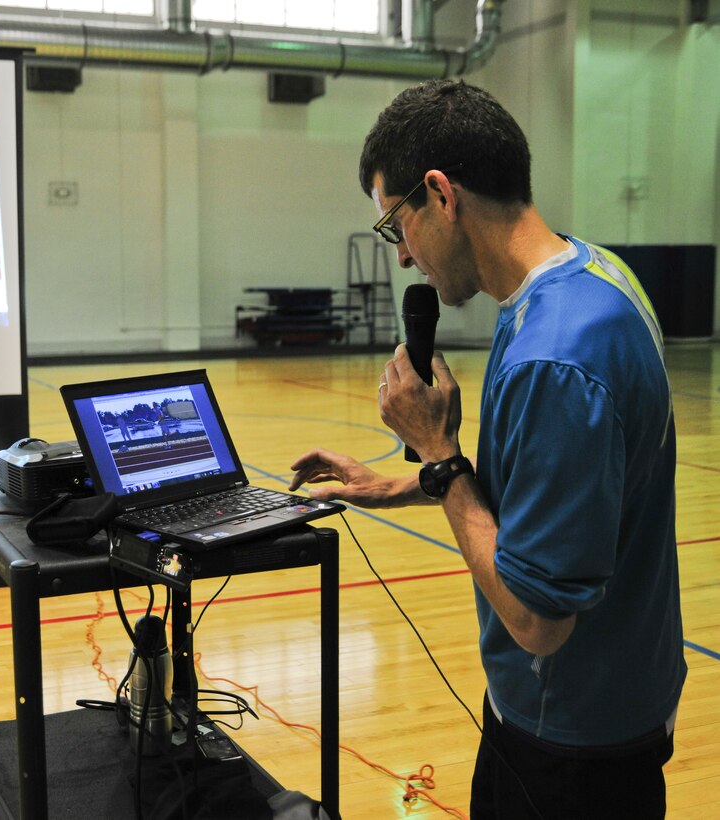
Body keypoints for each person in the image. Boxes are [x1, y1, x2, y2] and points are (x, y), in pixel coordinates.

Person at [289, 80, 685, 819]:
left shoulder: (552, 356)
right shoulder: (590, 276)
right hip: (615, 702)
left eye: (394, 228)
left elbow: (539, 620)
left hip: (570, 742)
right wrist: (398, 484)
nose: (402, 258)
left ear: (440, 195)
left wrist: (438, 457)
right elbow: (553, 492)